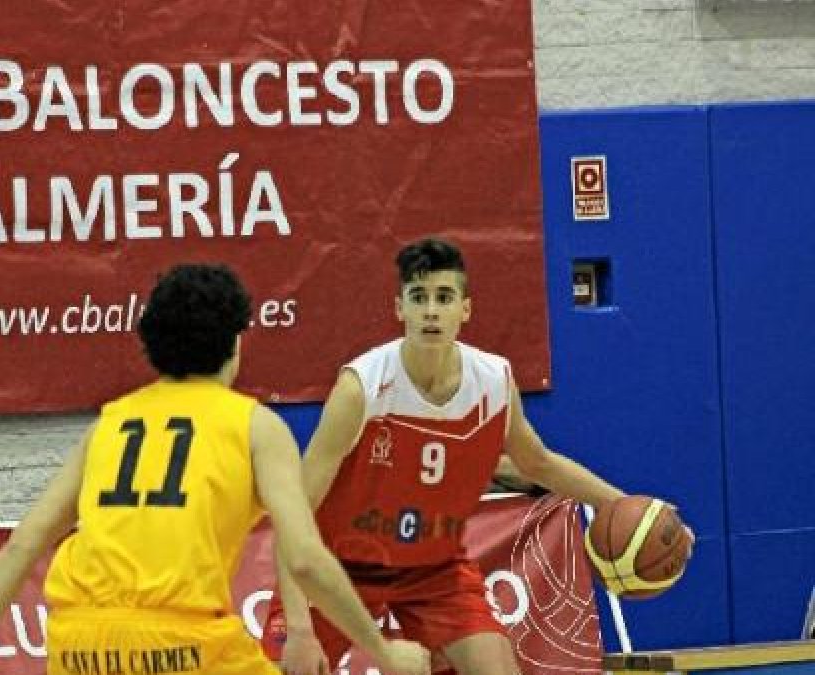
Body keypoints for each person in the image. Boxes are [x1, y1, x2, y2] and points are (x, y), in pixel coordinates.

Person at [0, 264, 432, 675]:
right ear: (236, 343)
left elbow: (23, 545)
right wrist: (383, 652)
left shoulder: (110, 423)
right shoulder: (254, 425)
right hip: (182, 647)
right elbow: (304, 556)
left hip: (78, 646)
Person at [265, 238, 685, 675]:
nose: (431, 311)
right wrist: (299, 630)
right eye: (419, 298)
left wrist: (632, 507)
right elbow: (296, 511)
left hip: (433, 568)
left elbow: (537, 463)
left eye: (444, 297)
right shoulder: (361, 388)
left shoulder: (492, 381)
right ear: (400, 308)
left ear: (465, 309)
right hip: (340, 564)